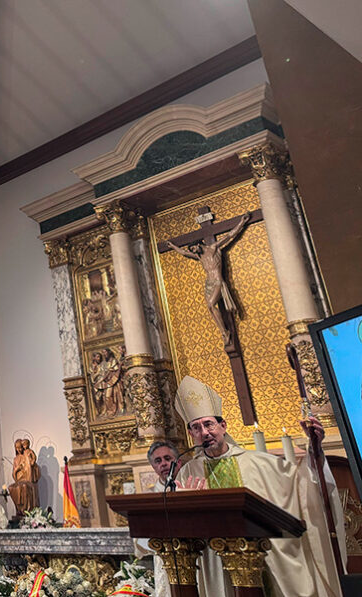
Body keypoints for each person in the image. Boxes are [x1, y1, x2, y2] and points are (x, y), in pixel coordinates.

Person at [173, 376, 345, 596]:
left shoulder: (259, 463)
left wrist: (315, 451)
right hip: (215, 562)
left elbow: (302, 488)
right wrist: (186, 503)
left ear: (223, 426)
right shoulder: (189, 471)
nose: (204, 432)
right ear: (190, 435)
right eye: (196, 428)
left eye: (208, 424)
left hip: (262, 556)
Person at [166, 213, 249, 345]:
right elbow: (184, 253)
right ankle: (223, 332)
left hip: (218, 281)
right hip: (209, 283)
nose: (194, 250)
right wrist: (173, 247)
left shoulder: (213, 248)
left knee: (211, 304)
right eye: (192, 249)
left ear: (200, 243)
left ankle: (224, 332)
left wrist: (241, 223)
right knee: (210, 307)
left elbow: (230, 236)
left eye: (194, 247)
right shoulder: (199, 257)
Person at [133, 440, 182, 597]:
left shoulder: (192, 487)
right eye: (158, 461)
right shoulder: (149, 499)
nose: (164, 464)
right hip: (165, 562)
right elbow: (139, 538)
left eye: (168, 459)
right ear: (154, 467)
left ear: (178, 462)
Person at [9, 439, 41, 515]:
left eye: (20, 447)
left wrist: (32, 466)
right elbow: (14, 474)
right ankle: (19, 510)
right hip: (19, 480)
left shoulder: (27, 455)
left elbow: (34, 468)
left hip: (28, 480)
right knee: (11, 488)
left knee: (24, 486)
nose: (19, 450)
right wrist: (17, 469)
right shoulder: (15, 459)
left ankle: (27, 510)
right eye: (17, 448)